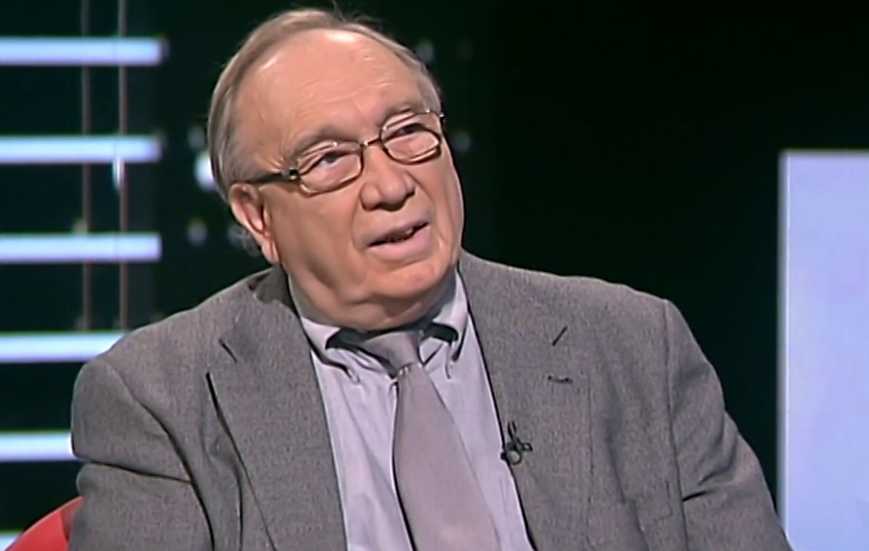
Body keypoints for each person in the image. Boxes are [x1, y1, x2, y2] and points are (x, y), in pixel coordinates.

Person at [69, 7, 792, 551]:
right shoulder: (160, 398)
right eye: (330, 160)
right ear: (258, 216)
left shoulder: (633, 347)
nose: (391, 185)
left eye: (409, 133)